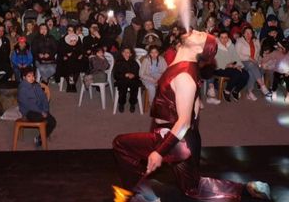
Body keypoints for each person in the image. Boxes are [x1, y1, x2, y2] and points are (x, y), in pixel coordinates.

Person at [112, 31, 270, 201]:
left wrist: (159, 152)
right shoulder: (186, 64)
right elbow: (194, 107)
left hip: (174, 137)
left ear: (197, 48)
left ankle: (142, 194)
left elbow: (185, 121)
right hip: (185, 138)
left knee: (121, 144)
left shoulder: (184, 76)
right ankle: (248, 189)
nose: (196, 31)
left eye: (200, 35)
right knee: (192, 189)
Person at [18, 67, 56, 147]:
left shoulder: (36, 85)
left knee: (53, 122)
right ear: (24, 78)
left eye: (33, 76)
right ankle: (42, 135)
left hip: (41, 109)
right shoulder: (22, 89)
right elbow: (29, 104)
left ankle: (39, 138)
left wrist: (45, 110)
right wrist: (41, 112)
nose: (32, 78)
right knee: (40, 118)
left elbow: (44, 98)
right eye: (29, 76)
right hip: (29, 111)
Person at [213, 30, 249, 102]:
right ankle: (227, 91)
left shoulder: (231, 45)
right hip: (219, 68)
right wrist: (226, 65)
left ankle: (236, 91)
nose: (224, 39)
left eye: (225, 37)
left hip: (231, 67)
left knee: (245, 74)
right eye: (222, 37)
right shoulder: (215, 46)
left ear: (228, 37)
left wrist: (238, 65)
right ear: (219, 38)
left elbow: (235, 57)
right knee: (236, 74)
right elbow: (215, 60)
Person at [235, 27, 270, 100]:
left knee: (253, 71)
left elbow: (258, 55)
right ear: (243, 34)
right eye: (246, 33)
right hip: (242, 62)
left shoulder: (256, 41)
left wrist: (260, 61)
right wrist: (249, 58)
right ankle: (262, 86)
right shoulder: (239, 41)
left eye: (250, 33)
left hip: (254, 63)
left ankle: (249, 92)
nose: (248, 34)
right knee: (251, 65)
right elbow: (237, 55)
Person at [113, 47, 141, 113]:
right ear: (122, 53)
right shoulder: (118, 63)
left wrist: (133, 75)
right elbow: (115, 75)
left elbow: (138, 73)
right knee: (122, 87)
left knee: (135, 86)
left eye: (128, 52)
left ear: (131, 54)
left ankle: (132, 103)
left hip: (133, 79)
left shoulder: (134, 63)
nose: (126, 53)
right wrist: (124, 75)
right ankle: (121, 103)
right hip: (122, 79)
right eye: (124, 52)